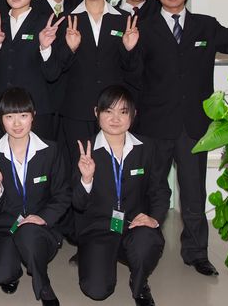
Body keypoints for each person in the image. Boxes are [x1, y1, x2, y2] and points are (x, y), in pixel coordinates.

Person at [135, 0, 228, 277]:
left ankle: (196, 253)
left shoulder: (205, 25)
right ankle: (144, 249)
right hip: (154, 125)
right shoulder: (143, 28)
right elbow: (131, 73)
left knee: (193, 194)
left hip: (193, 126)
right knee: (151, 191)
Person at [73, 85, 170, 306]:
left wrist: (154, 218)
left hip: (134, 224)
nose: (115, 118)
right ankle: (99, 256)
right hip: (98, 228)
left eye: (123, 111)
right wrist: (86, 178)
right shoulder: (84, 150)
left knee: (147, 241)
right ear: (96, 112)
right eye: (108, 111)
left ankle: (139, 281)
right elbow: (78, 204)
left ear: (133, 115)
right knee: (97, 290)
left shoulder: (147, 147)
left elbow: (160, 190)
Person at [0, 87, 70, 306]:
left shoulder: (51, 150)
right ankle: (13, 266)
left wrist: (43, 217)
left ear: (33, 116)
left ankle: (44, 286)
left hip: (41, 226)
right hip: (6, 225)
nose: (17, 123)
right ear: (1, 119)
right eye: (9, 117)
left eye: (23, 115)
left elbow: (62, 195)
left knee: (29, 233)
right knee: (1, 273)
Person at [54, 0, 140, 170]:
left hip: (114, 110)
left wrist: (129, 49)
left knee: (112, 167)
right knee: (78, 166)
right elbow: (56, 69)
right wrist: (70, 48)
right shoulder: (66, 19)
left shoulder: (125, 20)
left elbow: (134, 71)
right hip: (77, 109)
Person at [0, 0, 66, 142]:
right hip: (1, 111)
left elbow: (53, 74)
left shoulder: (47, 24)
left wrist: (45, 47)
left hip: (36, 111)